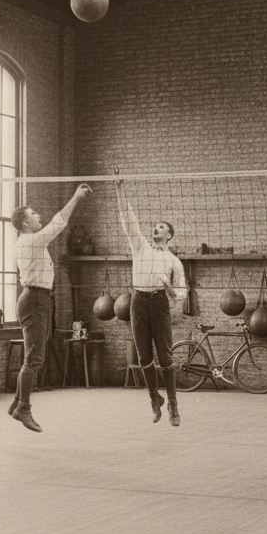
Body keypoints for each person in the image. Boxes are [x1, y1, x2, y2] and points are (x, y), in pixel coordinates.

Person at [10, 184, 93, 432]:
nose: (38, 216)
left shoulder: (30, 242)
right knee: (35, 358)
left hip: (39, 298)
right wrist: (76, 197)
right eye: (33, 214)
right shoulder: (31, 241)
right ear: (25, 223)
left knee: (35, 355)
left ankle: (16, 402)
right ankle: (23, 408)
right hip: (35, 299)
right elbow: (59, 223)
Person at [114, 180, 187, 426]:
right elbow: (127, 217)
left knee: (165, 357)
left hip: (159, 304)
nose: (156, 229)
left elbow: (181, 293)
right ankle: (154, 400)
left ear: (169, 235)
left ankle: (174, 406)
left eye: (161, 227)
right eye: (155, 226)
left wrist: (170, 292)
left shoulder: (174, 261)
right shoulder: (140, 247)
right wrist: (119, 186)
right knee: (144, 356)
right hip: (138, 301)